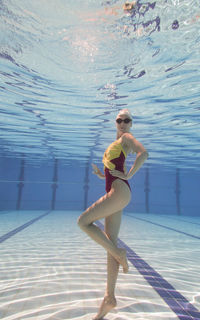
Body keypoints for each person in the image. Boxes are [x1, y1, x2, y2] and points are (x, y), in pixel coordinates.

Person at [77, 109, 148, 320]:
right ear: (115, 122)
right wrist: (102, 175)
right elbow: (113, 170)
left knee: (83, 222)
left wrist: (128, 174)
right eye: (119, 120)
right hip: (116, 192)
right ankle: (110, 297)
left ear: (131, 124)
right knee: (110, 242)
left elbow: (143, 153)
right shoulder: (117, 144)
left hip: (119, 191)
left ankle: (120, 253)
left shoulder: (127, 138)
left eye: (127, 120)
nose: (123, 123)